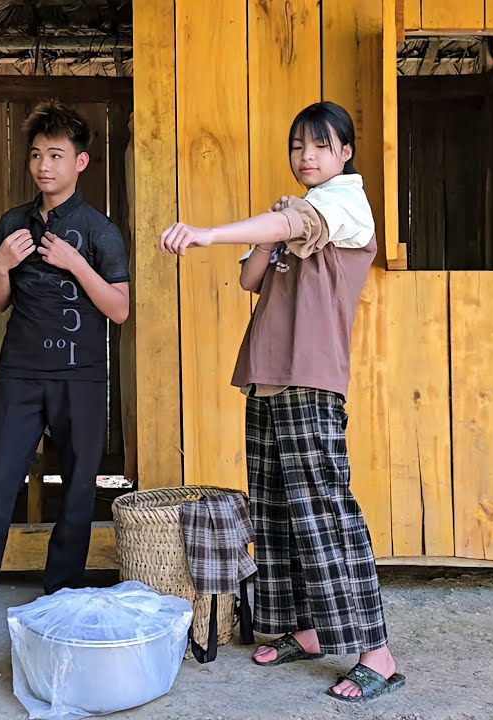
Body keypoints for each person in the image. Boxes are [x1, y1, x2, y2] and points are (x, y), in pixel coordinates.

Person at [159, 102, 405, 703]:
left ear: (345, 153)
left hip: (312, 378)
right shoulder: (295, 212)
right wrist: (270, 230)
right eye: (298, 146)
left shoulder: (347, 203)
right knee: (274, 511)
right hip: (268, 375)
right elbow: (249, 280)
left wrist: (211, 233)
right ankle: (307, 630)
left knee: (324, 510)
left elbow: (289, 231)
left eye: (320, 146)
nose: (307, 157)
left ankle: (377, 652)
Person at [0, 100, 130, 637]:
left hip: (80, 374)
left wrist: (75, 262)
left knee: (80, 483)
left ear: (80, 163)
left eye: (57, 155)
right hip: (20, 370)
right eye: (38, 154)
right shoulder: (12, 224)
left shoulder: (99, 231)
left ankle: (60, 593)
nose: (45, 165)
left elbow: (118, 308)